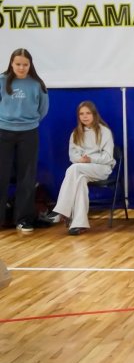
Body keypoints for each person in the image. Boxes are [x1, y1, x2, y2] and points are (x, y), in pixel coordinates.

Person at [46, 101, 115, 235]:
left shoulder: (104, 131)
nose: (85, 116)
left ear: (94, 114)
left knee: (74, 169)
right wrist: (81, 160)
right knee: (80, 180)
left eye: (88, 113)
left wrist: (90, 159)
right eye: (81, 114)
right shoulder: (76, 133)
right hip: (82, 168)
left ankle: (60, 211)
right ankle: (79, 224)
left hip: (101, 168)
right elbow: (73, 156)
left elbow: (108, 157)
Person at [0, 48, 49, 234]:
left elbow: (43, 109)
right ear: (11, 64)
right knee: (1, 175)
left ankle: (23, 219)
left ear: (30, 65)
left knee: (27, 177)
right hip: (3, 133)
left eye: (25, 65)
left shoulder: (37, 84)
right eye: (18, 64)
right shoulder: (2, 80)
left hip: (28, 133)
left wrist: (29, 122)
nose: (21, 68)